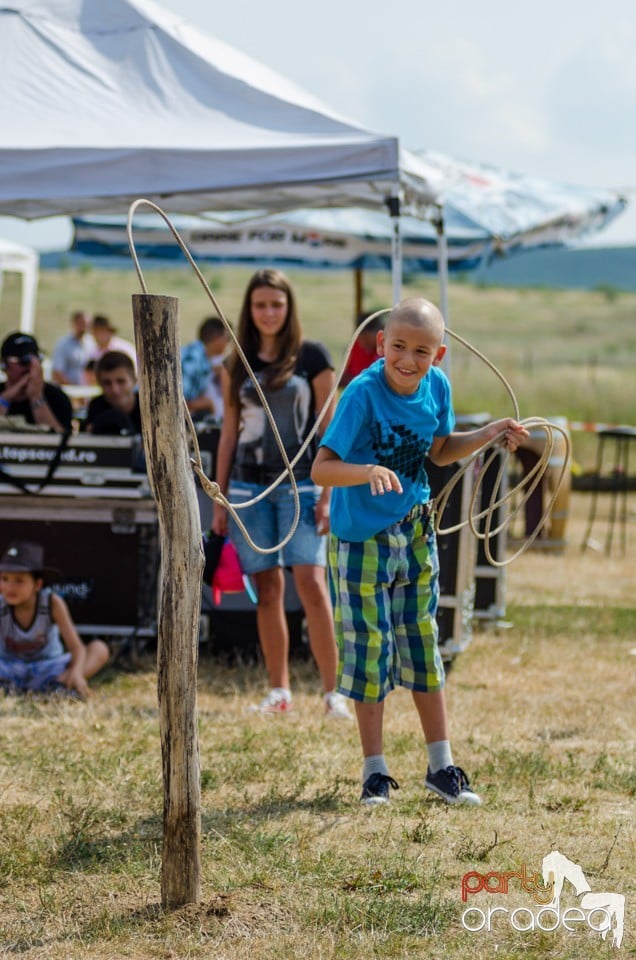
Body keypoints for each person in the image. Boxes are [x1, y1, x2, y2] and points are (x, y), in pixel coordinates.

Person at [312, 297, 528, 805]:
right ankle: (374, 772)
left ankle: (441, 767)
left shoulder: (437, 387)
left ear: (440, 354)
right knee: (369, 650)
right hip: (360, 539)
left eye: (422, 351)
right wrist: (365, 472)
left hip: (414, 533)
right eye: (400, 347)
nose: (409, 360)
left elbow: (440, 449)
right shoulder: (362, 394)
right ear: (381, 344)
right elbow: (322, 468)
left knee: (424, 646)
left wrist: (490, 433)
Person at [212, 268, 351, 719]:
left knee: (311, 583)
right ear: (248, 310)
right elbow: (229, 432)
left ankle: (334, 694)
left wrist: (329, 494)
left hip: (304, 483)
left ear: (289, 307)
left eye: (276, 304)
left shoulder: (313, 356)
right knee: (267, 588)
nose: (268, 312)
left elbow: (331, 427)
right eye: (260, 305)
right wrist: (221, 496)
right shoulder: (239, 362)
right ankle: (279, 691)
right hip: (249, 487)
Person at [0, 540, 109, 698]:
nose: (10, 587)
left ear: (37, 585)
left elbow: (76, 647)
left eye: (19, 581)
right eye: (4, 579)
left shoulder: (52, 603)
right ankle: (11, 688)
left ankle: (59, 685)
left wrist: (77, 673)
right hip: (11, 669)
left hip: (49, 668)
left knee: (99, 649)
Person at [0, 332, 73, 433]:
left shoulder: (56, 397)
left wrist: (36, 397)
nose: (30, 367)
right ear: (4, 364)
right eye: (23, 361)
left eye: (36, 360)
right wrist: (4, 399)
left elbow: (59, 439)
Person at [181, 316, 231, 421]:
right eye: (228, 338)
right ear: (217, 337)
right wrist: (208, 404)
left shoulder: (199, 356)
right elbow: (179, 402)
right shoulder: (193, 359)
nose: (229, 344)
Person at [83, 350, 142, 435]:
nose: (115, 390)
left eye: (121, 381)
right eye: (107, 383)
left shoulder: (147, 407)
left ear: (135, 381)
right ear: (99, 384)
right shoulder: (96, 407)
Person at [85, 315, 137, 382]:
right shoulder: (92, 352)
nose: (96, 335)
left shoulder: (123, 349)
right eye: (94, 332)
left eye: (100, 331)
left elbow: (134, 372)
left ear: (109, 331)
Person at [51, 310, 96, 386]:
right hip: (68, 389)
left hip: (87, 390)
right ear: (73, 323)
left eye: (87, 324)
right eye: (81, 323)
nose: (84, 327)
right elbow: (57, 372)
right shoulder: (63, 344)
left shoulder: (92, 342)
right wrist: (72, 388)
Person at [339, 311, 385, 387]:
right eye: (361, 337)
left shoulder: (387, 350)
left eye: (366, 337)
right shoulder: (353, 347)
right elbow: (344, 378)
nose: (363, 342)